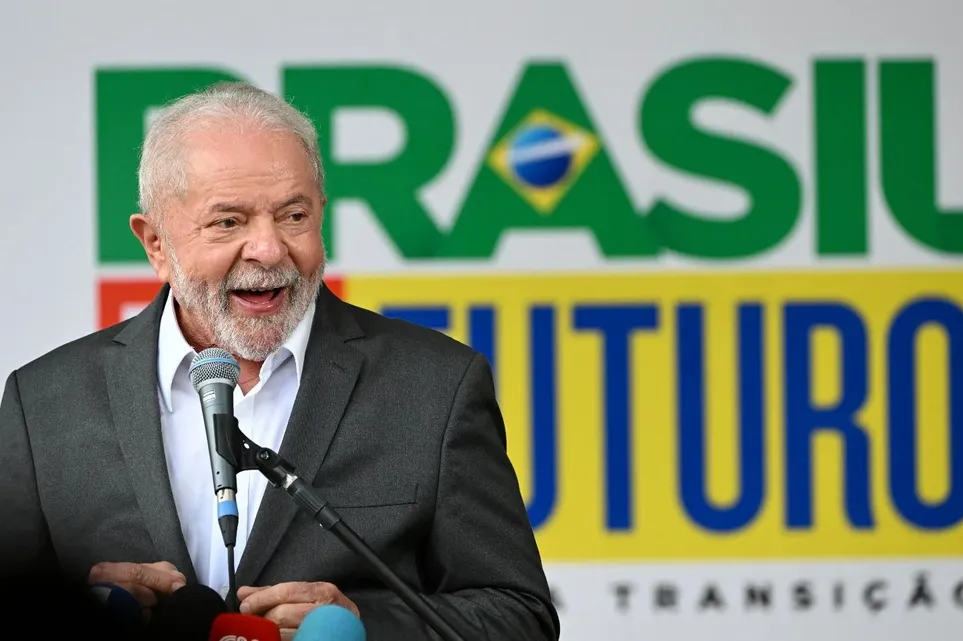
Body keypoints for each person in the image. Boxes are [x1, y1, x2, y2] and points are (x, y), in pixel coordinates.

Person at [0, 82, 559, 640]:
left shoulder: (435, 387)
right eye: (228, 222)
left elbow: (520, 617)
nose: (268, 250)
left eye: (293, 216)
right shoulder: (43, 403)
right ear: (155, 244)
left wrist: (362, 627)